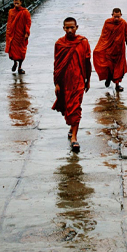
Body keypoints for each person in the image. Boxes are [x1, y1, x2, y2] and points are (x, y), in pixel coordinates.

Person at [52, 17, 92, 152]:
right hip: (64, 81)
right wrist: (56, 83)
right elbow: (57, 64)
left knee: (76, 108)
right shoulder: (59, 44)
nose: (70, 30)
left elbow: (87, 62)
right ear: (63, 28)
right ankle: (72, 128)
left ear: (77, 27)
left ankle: (74, 137)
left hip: (79, 81)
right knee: (68, 108)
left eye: (72, 27)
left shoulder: (83, 42)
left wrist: (88, 80)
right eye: (67, 28)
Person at [93, 8, 127, 92]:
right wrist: (100, 47)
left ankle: (117, 85)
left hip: (119, 51)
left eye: (118, 17)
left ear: (121, 15)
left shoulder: (124, 23)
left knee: (118, 69)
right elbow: (103, 36)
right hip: (109, 49)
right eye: (115, 17)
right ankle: (108, 77)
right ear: (112, 15)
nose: (117, 19)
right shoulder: (107, 22)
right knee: (109, 66)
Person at [5, 0, 31, 74]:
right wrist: (8, 33)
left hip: (21, 35)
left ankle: (20, 67)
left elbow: (28, 23)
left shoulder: (25, 12)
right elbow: (9, 23)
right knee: (13, 52)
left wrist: (27, 33)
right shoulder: (11, 11)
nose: (16, 5)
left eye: (17, 3)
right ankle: (15, 63)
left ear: (21, 3)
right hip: (13, 35)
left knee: (21, 52)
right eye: (15, 3)